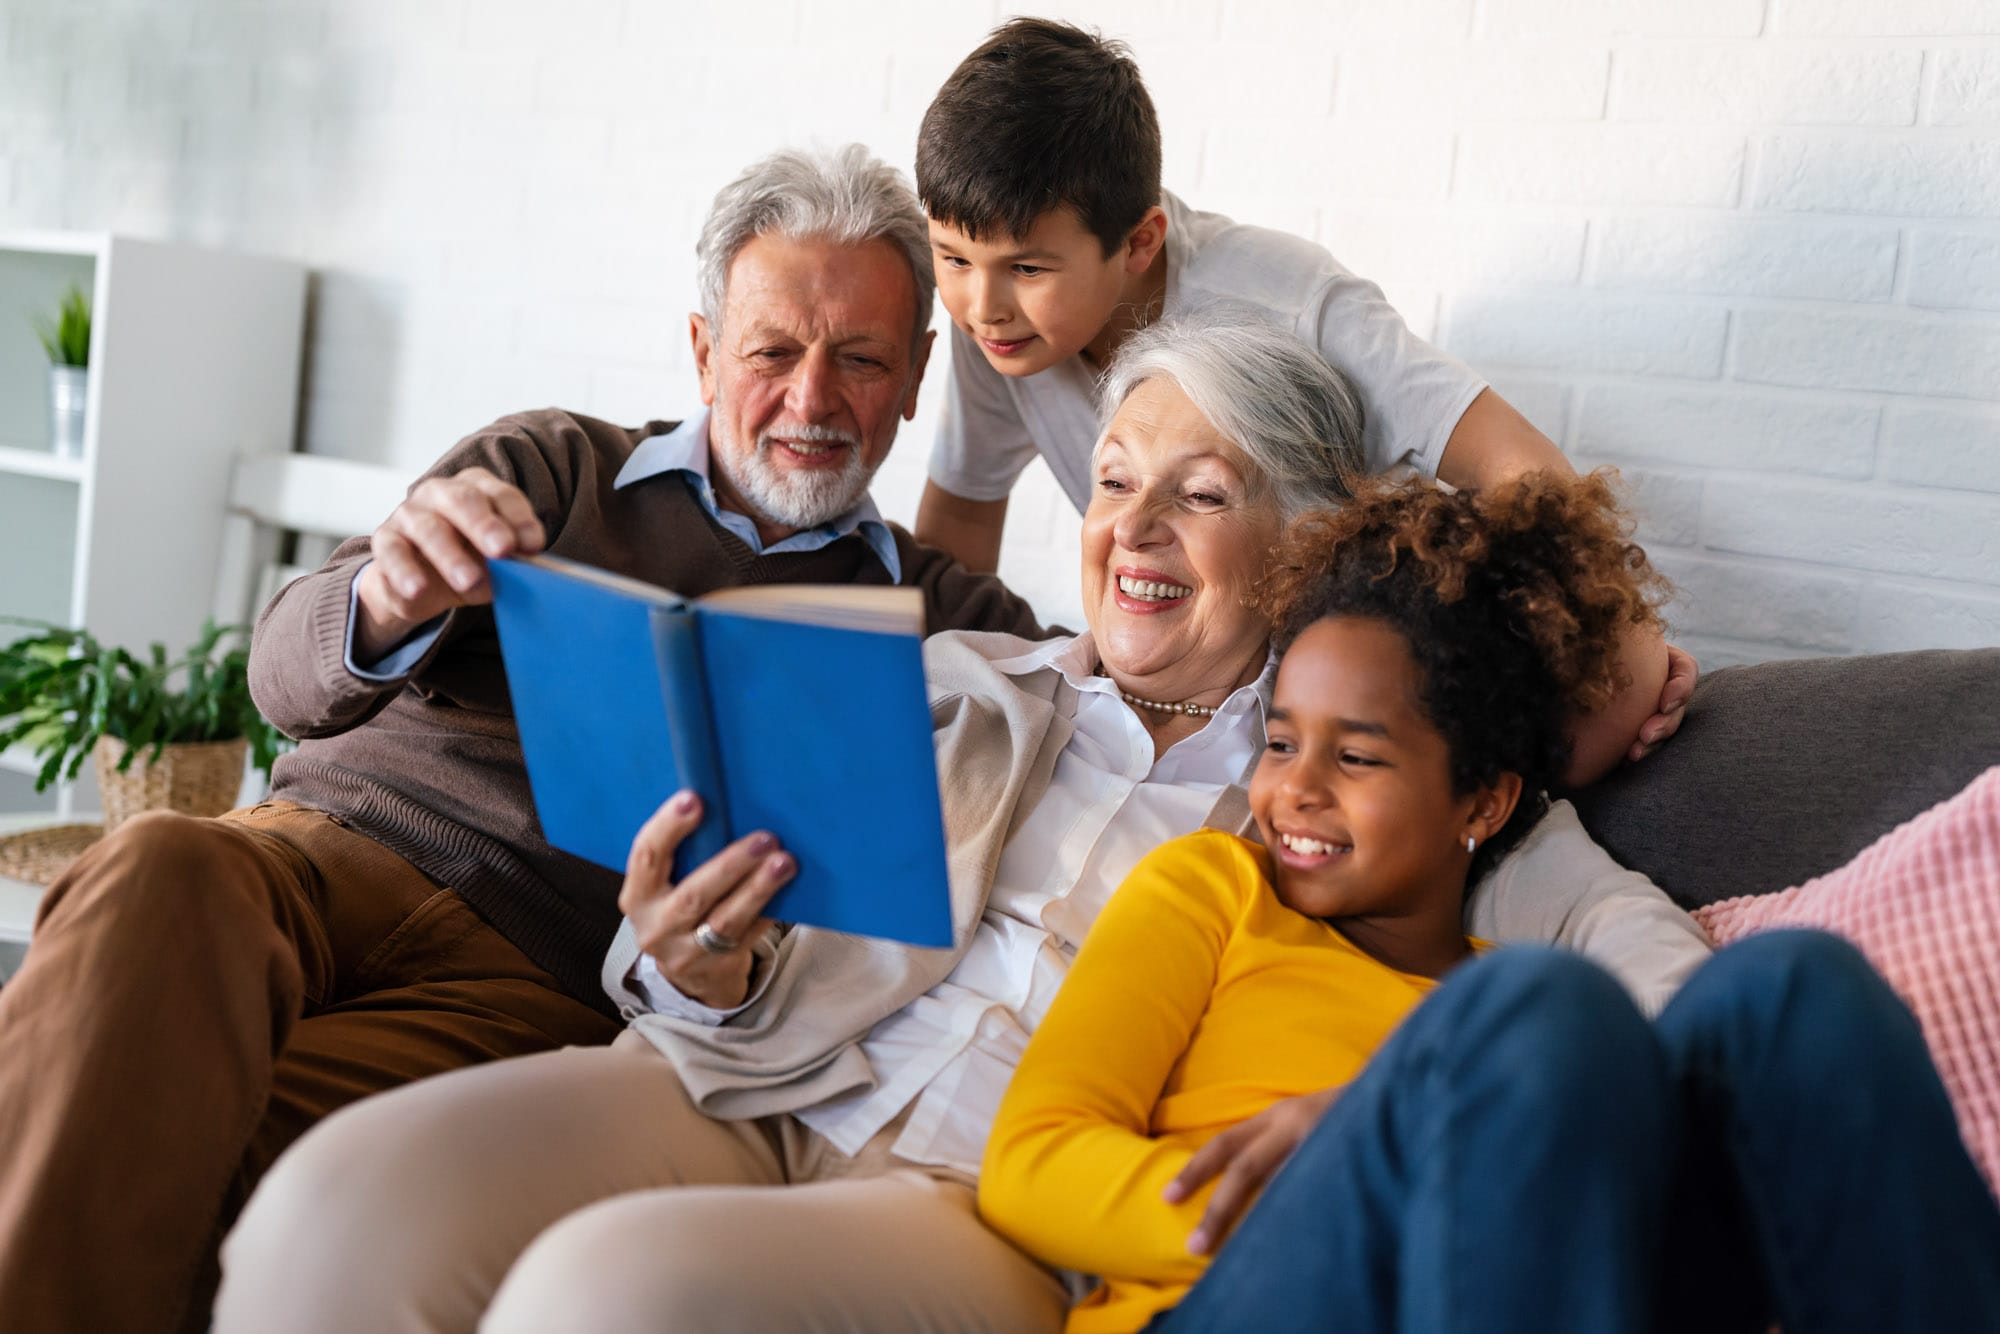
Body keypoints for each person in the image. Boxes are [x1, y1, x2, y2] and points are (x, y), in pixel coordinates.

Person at [216, 309, 1712, 1334]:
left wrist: (1422, 1110)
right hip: (747, 1085)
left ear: (1306, 540)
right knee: (340, 1201)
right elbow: (706, 977)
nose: (1133, 528)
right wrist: (696, 959)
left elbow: (1649, 983)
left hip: (987, 1205)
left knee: (613, 1298)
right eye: (1117, 482)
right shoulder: (954, 677)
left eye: (1201, 494)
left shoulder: (1366, 783)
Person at [0, 143, 1048, 1334]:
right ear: (705, 350)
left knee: (203, 1143)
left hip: (544, 978)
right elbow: (281, 677)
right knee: (155, 866)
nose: (811, 400)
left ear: (915, 377)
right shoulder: (556, 463)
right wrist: (391, 598)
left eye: (859, 359)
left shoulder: (949, 621)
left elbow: (1151, 688)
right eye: (771, 351)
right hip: (320, 852)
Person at [979, 473, 2000, 1334]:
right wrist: (1376, 1152)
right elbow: (1029, 1163)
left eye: (1357, 755)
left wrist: (1442, 1125)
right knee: (1536, 1007)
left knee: (1794, 984)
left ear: (1482, 797)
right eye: (1280, 741)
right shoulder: (1211, 886)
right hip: (1240, 1294)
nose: (1291, 788)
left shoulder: (1524, 1028)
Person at [910, 17, 1691, 779]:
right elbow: (965, 516)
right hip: (1196, 674)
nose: (982, 304)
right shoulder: (1003, 333)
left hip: (1351, 672)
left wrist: (1606, 642)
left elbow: (1523, 471)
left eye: (1028, 269)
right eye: (952, 256)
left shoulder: (1295, 302)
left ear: (1140, 241)